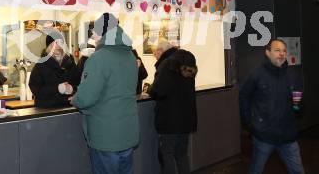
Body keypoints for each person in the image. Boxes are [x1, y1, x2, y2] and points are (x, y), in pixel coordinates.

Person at [71, 13, 139, 174]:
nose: (92, 35)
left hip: (106, 135)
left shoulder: (98, 58)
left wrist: (75, 99)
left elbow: (86, 98)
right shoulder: (130, 56)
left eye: (95, 30)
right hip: (127, 132)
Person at [239, 38, 305, 174]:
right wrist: (250, 123)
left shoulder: (292, 74)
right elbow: (244, 96)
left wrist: (299, 107)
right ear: (268, 53)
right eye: (277, 50)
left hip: (288, 137)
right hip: (264, 136)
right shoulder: (256, 74)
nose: (281, 53)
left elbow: (299, 100)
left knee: (298, 171)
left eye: (284, 51)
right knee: (256, 170)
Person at [149, 40, 198, 174]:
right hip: (186, 118)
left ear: (160, 51)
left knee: (167, 155)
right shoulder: (187, 61)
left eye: (155, 53)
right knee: (181, 155)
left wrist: (150, 89)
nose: (155, 56)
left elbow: (159, 90)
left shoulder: (166, 64)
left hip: (170, 120)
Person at [29, 30, 78, 108]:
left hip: (69, 108)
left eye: (61, 43)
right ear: (49, 47)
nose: (59, 46)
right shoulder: (40, 65)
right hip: (47, 110)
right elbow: (36, 90)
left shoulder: (70, 63)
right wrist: (57, 89)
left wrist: (73, 89)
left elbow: (79, 83)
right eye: (55, 43)